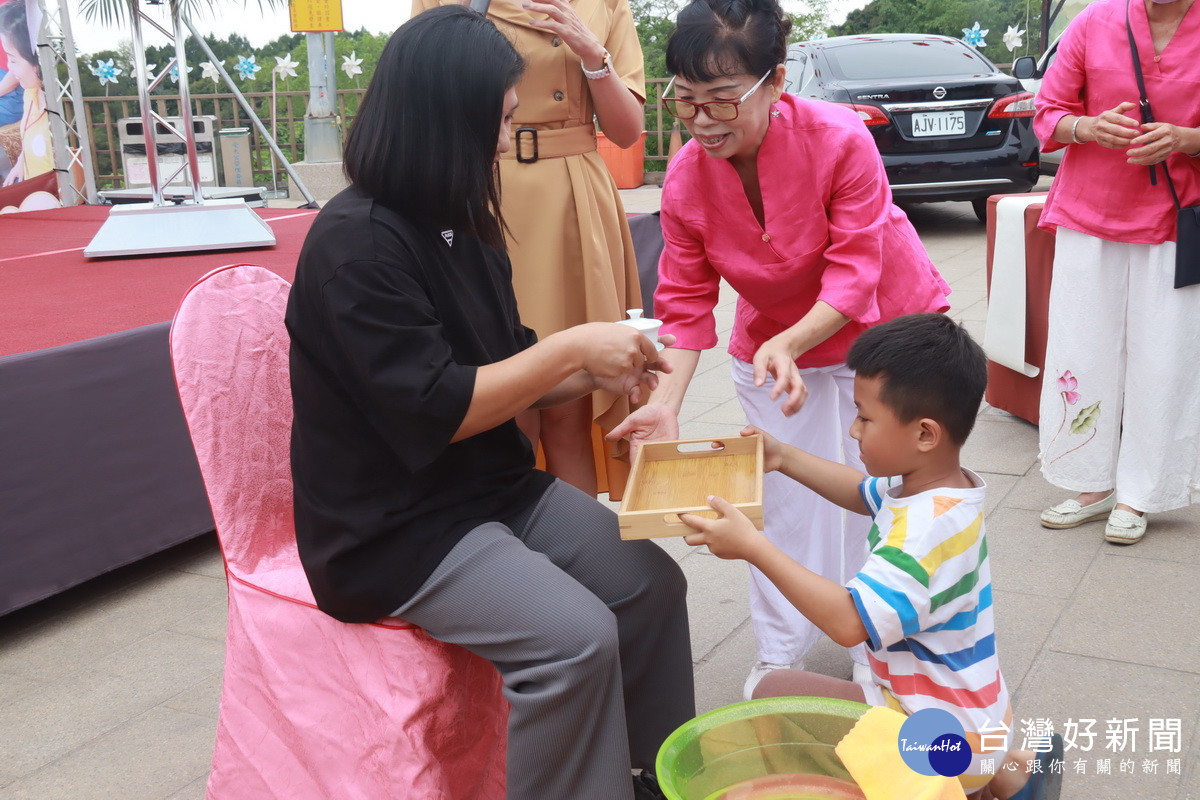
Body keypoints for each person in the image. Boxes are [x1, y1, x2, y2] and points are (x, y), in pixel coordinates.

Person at [284, 8, 694, 798]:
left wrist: (604, 371)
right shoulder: (355, 245)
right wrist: (572, 348)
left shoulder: (462, 221)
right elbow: (442, 406)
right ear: (446, 122)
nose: (510, 141)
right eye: (502, 121)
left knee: (650, 584)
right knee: (574, 640)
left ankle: (656, 780)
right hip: (393, 526)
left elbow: (513, 366)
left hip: (488, 488)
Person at [608, 0, 951, 700]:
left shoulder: (840, 139)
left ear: (775, 83)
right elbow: (684, 305)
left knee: (879, 491)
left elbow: (856, 272)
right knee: (781, 501)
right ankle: (780, 650)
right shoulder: (683, 178)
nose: (702, 121)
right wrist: (666, 404)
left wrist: (792, 342)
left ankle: (879, 646)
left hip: (885, 335)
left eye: (723, 101)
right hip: (773, 347)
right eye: (686, 100)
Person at [678, 314, 1060, 800]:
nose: (853, 430)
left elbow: (848, 623)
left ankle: (943, 787)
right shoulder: (938, 491)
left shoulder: (921, 534)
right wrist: (783, 456)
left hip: (939, 733)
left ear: (925, 434)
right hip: (972, 712)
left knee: (772, 698)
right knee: (785, 691)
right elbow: (862, 492)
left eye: (864, 416)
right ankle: (1008, 776)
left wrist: (753, 547)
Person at [411, 0, 649, 499]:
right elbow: (424, 89)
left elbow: (626, 133)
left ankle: (581, 559)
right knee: (508, 397)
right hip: (480, 187)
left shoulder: (606, 4)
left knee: (571, 405)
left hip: (572, 200)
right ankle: (513, 557)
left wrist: (591, 53)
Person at [1033, 0, 1200, 545]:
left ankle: (1140, 494)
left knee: (1164, 359)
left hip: (1176, 220)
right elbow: (1047, 112)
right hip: (1089, 215)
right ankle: (1089, 482)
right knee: (1083, 350)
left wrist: (1186, 139)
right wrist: (1085, 126)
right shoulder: (1093, 21)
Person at [0, 0, 49, 188]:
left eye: (13, 60)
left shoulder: (51, 103)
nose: (11, 66)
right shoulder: (31, 96)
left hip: (45, 186)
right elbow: (29, 138)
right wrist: (22, 162)